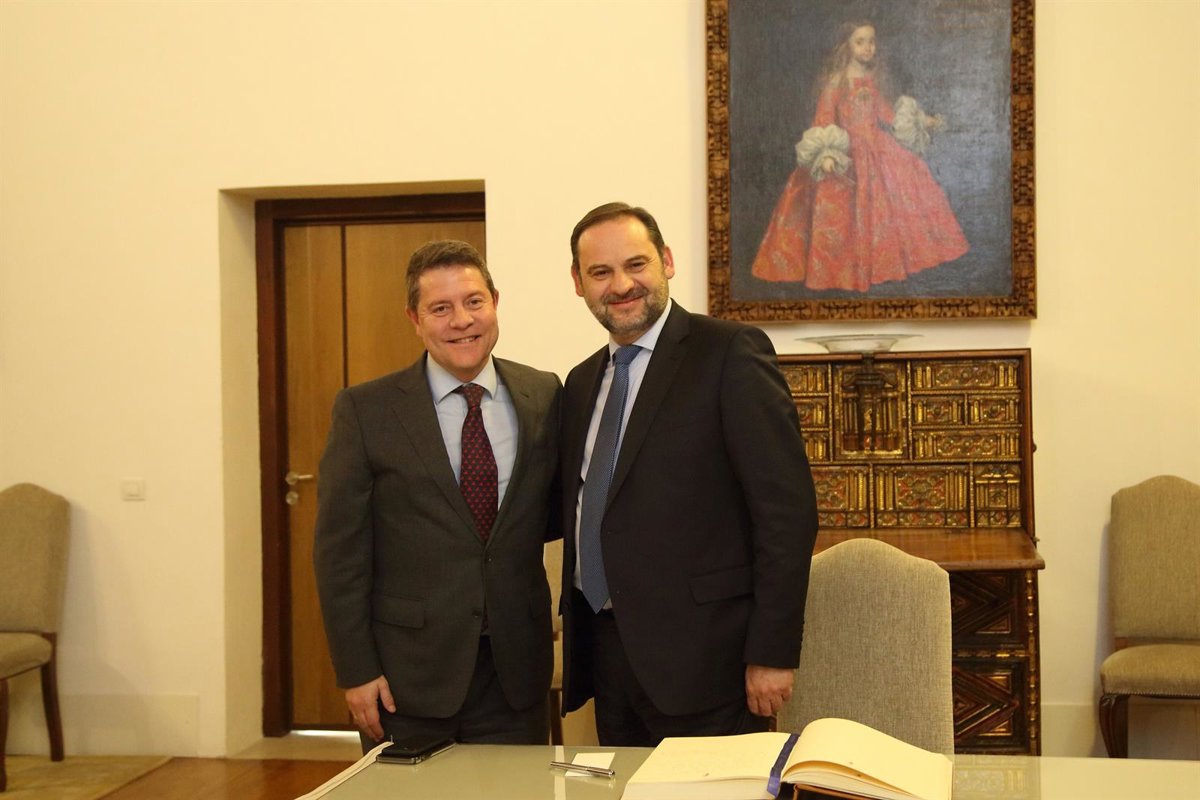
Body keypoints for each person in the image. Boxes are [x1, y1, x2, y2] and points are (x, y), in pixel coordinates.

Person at [560, 202, 819, 746]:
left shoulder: (729, 353)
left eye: (636, 264)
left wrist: (772, 653)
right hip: (608, 654)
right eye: (600, 272)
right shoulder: (582, 382)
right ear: (578, 284)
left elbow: (786, 513)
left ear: (668, 261)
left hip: (707, 663)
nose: (621, 285)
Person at [314, 240, 562, 751]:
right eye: (440, 308)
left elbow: (553, 514)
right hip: (406, 678)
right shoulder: (366, 410)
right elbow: (340, 555)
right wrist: (356, 670)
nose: (461, 320)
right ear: (415, 318)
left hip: (515, 674)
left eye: (474, 301)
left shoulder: (543, 394)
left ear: (495, 301)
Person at [752, 20, 969, 291]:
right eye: (860, 42)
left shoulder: (872, 79)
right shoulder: (837, 81)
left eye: (871, 41)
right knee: (841, 213)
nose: (868, 47)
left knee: (902, 191)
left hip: (878, 148)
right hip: (846, 153)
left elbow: (886, 114)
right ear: (846, 46)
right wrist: (827, 155)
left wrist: (922, 120)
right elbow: (823, 120)